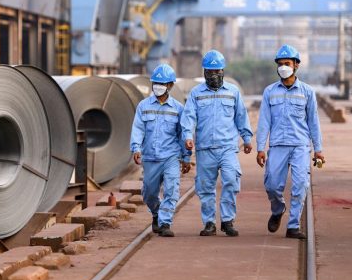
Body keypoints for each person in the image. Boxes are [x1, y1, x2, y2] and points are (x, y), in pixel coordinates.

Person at [181, 50, 253, 237]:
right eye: (210, 71)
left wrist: (246, 138)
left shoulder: (233, 92)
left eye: (217, 71)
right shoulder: (196, 94)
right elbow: (189, 118)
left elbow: (241, 116)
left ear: (223, 71)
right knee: (205, 187)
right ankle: (209, 223)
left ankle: (227, 220)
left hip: (228, 147)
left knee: (231, 181)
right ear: (204, 72)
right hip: (205, 148)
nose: (213, 75)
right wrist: (188, 136)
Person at [255, 44, 324, 239]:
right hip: (278, 145)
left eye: (287, 63)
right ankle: (278, 209)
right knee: (272, 185)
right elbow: (264, 121)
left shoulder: (307, 92)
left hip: (300, 145)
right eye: (280, 64)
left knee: (300, 185)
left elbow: (313, 121)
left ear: (296, 65)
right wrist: (260, 148)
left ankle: (293, 226)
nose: (283, 67)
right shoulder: (270, 92)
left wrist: (318, 149)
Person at [130, 63, 192, 237]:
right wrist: (136, 148)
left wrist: (186, 157)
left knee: (171, 190)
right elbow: (138, 129)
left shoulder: (178, 109)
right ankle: (157, 213)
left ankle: (165, 223)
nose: (157, 86)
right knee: (149, 193)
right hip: (150, 157)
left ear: (170, 85)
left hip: (171, 157)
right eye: (155, 83)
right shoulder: (143, 106)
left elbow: (183, 135)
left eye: (162, 83)